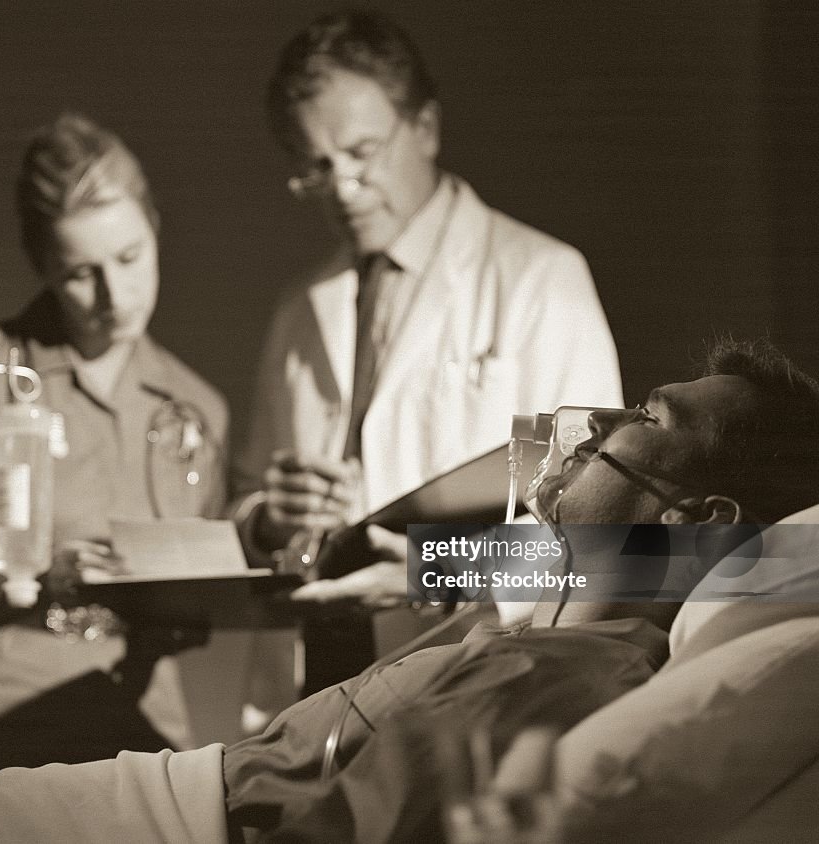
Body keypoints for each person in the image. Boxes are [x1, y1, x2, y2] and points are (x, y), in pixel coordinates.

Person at [0, 339, 818, 842]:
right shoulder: (563, 591)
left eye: (644, 411)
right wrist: (402, 557)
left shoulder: (567, 672)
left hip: (199, 805)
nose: (591, 422)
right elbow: (572, 555)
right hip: (210, 772)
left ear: (700, 516)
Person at [232, 10, 623, 691]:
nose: (344, 190)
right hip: (315, 677)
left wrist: (431, 570)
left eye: (361, 154)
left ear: (426, 128)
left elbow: (596, 524)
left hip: (469, 670)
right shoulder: (300, 309)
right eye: (317, 167)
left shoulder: (540, 280)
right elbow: (243, 500)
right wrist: (271, 516)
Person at [0, 114, 229, 789]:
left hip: (135, 743)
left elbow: (191, 610)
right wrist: (37, 577)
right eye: (80, 274)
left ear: (155, 228)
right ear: (42, 265)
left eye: (130, 258)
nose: (114, 296)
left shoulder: (195, 406)